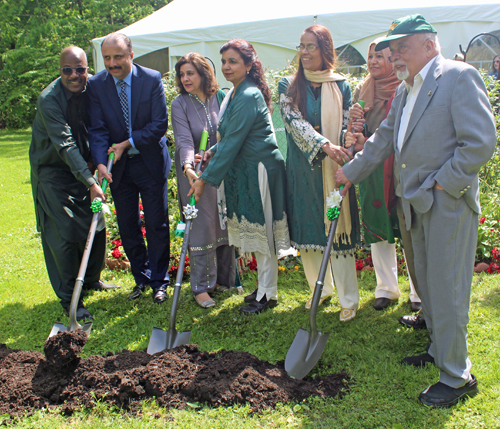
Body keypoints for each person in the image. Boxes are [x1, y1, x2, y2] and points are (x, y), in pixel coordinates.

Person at [335, 14, 496, 407]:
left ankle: (457, 377)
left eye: (402, 48)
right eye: (392, 51)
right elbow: (385, 138)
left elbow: (480, 142)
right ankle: (439, 352)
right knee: (426, 284)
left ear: (429, 44)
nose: (394, 57)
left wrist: (444, 183)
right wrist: (351, 172)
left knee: (447, 289)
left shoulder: (458, 77)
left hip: (446, 205)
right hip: (414, 204)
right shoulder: (408, 90)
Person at [190, 39, 291, 314]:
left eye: (233, 61)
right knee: (258, 233)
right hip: (245, 170)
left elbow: (233, 141)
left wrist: (204, 180)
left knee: (264, 233)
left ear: (249, 64)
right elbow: (230, 136)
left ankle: (268, 295)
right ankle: (263, 287)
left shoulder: (247, 95)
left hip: (259, 170)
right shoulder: (236, 92)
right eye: (223, 61)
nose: (226, 67)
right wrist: (211, 151)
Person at [29, 46, 120, 321]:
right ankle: (70, 297)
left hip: (84, 169)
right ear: (60, 71)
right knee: (64, 232)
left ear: (87, 70)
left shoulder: (89, 89)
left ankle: (92, 280)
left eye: (79, 69)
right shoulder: (49, 100)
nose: (74, 75)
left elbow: (98, 126)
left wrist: (99, 162)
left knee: (98, 224)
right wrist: (90, 180)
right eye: (67, 70)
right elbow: (65, 145)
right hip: (54, 172)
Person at [278, 25, 360, 322]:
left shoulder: (341, 85)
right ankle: (320, 289)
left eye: (311, 46)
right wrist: (324, 143)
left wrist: (347, 137)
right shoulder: (288, 85)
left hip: (334, 170)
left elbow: (347, 123)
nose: (305, 52)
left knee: (337, 230)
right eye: (301, 46)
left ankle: (348, 298)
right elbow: (293, 123)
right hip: (303, 169)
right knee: (308, 231)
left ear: (325, 49)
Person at [87, 33, 171, 304]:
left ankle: (160, 281)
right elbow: (97, 129)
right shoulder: (96, 85)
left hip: (150, 163)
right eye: (107, 58)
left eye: (118, 57)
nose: (112, 63)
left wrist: (127, 143)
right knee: (127, 225)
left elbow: (159, 124)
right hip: (119, 168)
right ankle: (142, 278)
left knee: (156, 224)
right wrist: (101, 161)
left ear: (131, 55)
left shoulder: (151, 79)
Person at [349, 38, 421, 312]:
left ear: (393, 59)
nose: (374, 62)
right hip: (372, 169)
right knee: (377, 224)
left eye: (380, 56)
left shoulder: (407, 87)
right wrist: (355, 127)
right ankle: (386, 288)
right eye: (370, 56)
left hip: (399, 166)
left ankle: (418, 292)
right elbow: (354, 131)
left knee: (407, 228)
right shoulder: (362, 90)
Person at [171, 53, 235, 308]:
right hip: (195, 172)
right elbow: (184, 140)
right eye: (182, 74)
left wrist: (214, 152)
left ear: (204, 74)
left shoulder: (222, 98)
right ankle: (201, 288)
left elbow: (232, 133)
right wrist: (188, 165)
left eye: (191, 73)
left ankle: (224, 279)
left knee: (224, 222)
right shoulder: (180, 104)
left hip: (223, 169)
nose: (185, 78)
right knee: (201, 226)